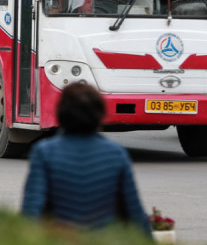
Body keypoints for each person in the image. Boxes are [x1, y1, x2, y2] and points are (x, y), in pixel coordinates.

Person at [21, 81, 151, 235]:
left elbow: (31, 211)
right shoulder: (116, 154)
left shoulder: (44, 152)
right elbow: (134, 214)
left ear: (61, 113)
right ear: (100, 114)